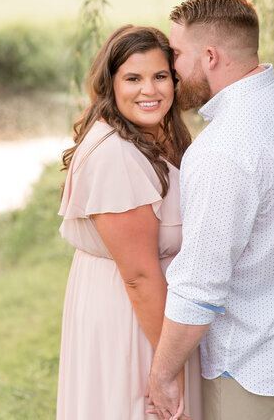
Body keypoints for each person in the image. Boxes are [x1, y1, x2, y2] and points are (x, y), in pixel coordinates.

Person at [148, 0, 274, 420]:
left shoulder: (221, 150)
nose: (170, 67)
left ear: (209, 56)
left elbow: (199, 286)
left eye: (176, 54)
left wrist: (163, 374)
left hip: (249, 366)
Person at [57, 25, 203, 420]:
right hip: (132, 316)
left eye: (159, 76)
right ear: (111, 84)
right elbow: (139, 275)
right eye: (133, 78)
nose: (149, 90)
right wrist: (168, 367)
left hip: (147, 311)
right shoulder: (116, 157)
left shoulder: (156, 136)